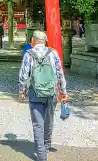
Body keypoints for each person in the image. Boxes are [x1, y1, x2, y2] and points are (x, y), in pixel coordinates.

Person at [18, 30, 67, 161]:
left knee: (37, 124)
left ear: (33, 41)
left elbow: (23, 75)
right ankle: (46, 146)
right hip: (51, 92)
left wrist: (21, 91)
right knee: (49, 121)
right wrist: (63, 92)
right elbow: (60, 73)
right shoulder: (53, 53)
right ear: (45, 41)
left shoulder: (29, 54)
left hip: (35, 93)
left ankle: (41, 156)